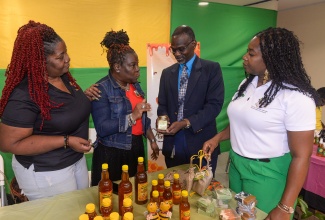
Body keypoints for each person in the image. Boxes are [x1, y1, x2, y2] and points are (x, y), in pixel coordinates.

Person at [203, 27, 321, 219]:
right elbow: (242, 122)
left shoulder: (296, 97)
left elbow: (302, 157)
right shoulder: (247, 84)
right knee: (236, 214)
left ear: (272, 58)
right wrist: (217, 138)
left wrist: (285, 207)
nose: (244, 57)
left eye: (251, 53)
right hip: (236, 166)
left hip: (266, 174)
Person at [0, 20, 92, 200]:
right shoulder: (24, 94)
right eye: (60, 57)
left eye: (66, 52)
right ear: (39, 62)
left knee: (80, 209)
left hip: (74, 160)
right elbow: (8, 144)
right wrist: (66, 141)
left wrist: (85, 99)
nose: (67, 59)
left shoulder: (62, 77)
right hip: (47, 171)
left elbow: (61, 110)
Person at [89, 29, 159, 188]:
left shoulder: (136, 87)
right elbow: (102, 128)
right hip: (112, 153)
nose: (137, 69)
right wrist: (131, 116)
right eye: (132, 65)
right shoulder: (101, 89)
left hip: (136, 149)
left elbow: (143, 119)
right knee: (111, 198)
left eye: (137, 64)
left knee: (136, 193)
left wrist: (152, 140)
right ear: (117, 67)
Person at [157, 25, 224, 174]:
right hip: (173, 143)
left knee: (201, 193)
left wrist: (186, 122)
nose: (177, 54)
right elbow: (163, 104)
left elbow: (214, 105)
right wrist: (163, 119)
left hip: (201, 142)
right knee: (175, 189)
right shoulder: (167, 73)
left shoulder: (211, 69)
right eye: (173, 50)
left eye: (181, 49)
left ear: (193, 44)